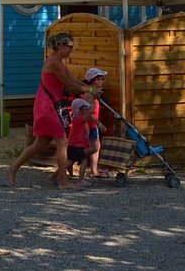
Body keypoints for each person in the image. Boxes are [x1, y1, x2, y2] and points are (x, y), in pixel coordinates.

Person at [7, 32, 102, 187]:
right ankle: (63, 182)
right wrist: (90, 91)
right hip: (47, 106)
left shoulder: (60, 62)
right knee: (62, 141)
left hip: (51, 105)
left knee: (39, 144)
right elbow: (69, 85)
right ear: (61, 46)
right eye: (70, 47)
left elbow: (73, 80)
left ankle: (12, 169)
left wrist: (89, 87)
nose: (72, 50)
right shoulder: (54, 63)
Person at [83, 67, 110, 179]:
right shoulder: (90, 95)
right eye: (101, 79)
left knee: (95, 147)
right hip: (91, 125)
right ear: (95, 80)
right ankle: (94, 170)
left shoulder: (91, 94)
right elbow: (89, 113)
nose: (103, 81)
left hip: (91, 125)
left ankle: (93, 169)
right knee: (94, 147)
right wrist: (99, 124)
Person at [65, 96, 99, 184]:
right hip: (76, 147)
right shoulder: (79, 119)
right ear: (79, 110)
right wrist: (93, 99)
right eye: (85, 108)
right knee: (84, 160)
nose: (86, 110)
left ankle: (55, 176)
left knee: (68, 163)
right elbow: (91, 111)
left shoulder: (77, 119)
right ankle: (80, 180)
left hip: (73, 146)